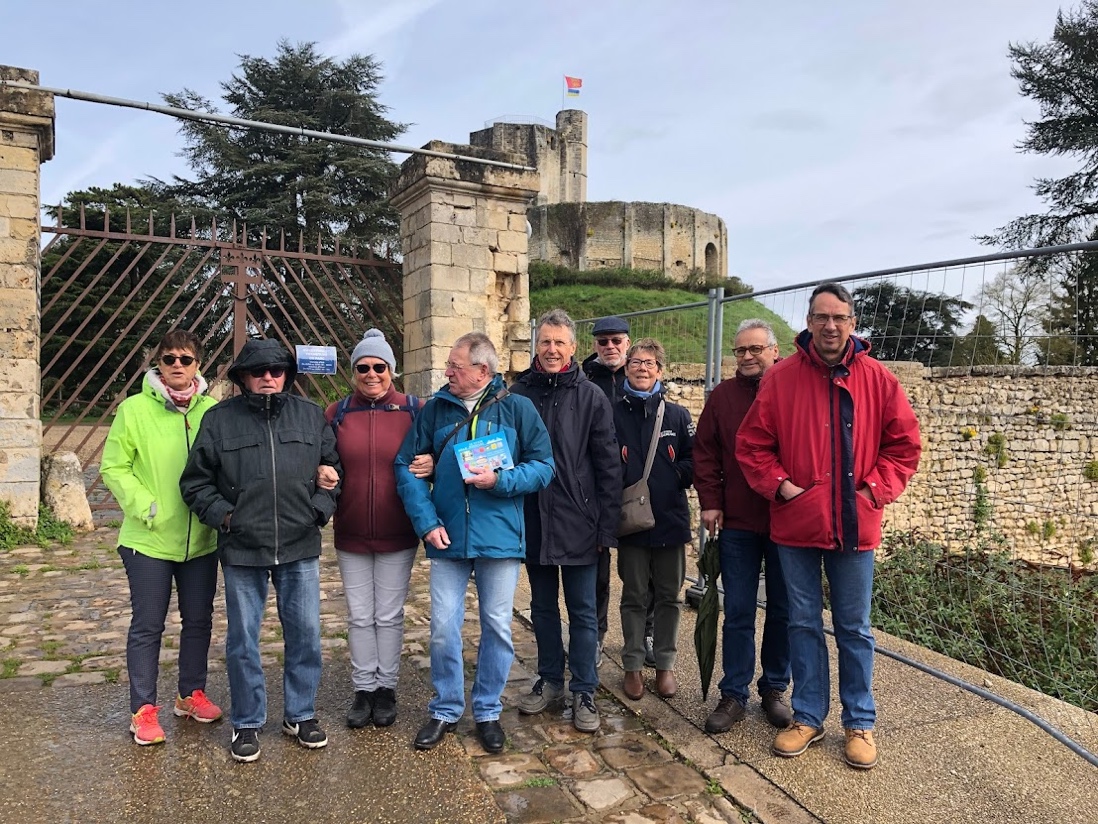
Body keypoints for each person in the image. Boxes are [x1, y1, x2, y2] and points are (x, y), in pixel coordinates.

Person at [737, 283, 921, 770]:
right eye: (821, 317)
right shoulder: (781, 379)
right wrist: (781, 487)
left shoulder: (878, 379)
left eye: (839, 317)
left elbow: (904, 447)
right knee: (801, 622)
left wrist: (873, 491)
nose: (830, 326)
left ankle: (859, 722)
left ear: (853, 322)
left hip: (856, 526)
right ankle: (809, 716)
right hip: (797, 523)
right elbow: (752, 445)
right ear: (809, 321)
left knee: (854, 628)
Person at [180, 339, 341, 763]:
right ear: (242, 378)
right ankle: (247, 721)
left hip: (299, 544)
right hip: (243, 549)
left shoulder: (310, 418)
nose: (268, 377)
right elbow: (195, 483)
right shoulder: (218, 421)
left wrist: (319, 512)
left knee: (306, 635)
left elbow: (334, 471)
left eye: (276, 370)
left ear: (287, 374)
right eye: (258, 371)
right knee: (243, 641)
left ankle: (300, 713)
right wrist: (227, 518)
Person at [395, 332, 554, 755]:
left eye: (455, 366)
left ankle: (486, 710)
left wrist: (501, 481)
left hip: (500, 538)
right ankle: (446, 707)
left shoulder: (518, 408)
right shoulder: (435, 409)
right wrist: (426, 522)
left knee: (498, 628)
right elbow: (404, 466)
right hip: (447, 535)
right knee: (444, 629)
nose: (447, 372)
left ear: (482, 371)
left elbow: (543, 466)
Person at [101, 330, 222, 746]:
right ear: (158, 364)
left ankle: (189, 695)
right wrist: (145, 505)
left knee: (199, 622)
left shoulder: (212, 410)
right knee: (148, 625)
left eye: (185, 359)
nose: (176, 365)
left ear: (197, 366)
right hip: (148, 540)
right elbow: (114, 467)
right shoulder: (134, 410)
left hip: (201, 540)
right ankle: (143, 710)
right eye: (168, 358)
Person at [511, 309, 622, 733]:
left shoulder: (591, 396)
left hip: (581, 520)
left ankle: (585, 688)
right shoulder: (519, 393)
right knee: (541, 607)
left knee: (583, 611)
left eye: (560, 342)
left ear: (573, 348)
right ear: (535, 346)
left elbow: (608, 466)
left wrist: (605, 527)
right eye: (545, 342)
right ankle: (551, 678)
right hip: (534, 518)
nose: (552, 349)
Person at [325, 329, 429, 730]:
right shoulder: (337, 414)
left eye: (379, 367)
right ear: (353, 372)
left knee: (387, 615)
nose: (371, 374)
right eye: (363, 367)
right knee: (358, 615)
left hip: (396, 530)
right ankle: (362, 688)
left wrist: (433, 462)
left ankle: (386, 688)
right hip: (350, 530)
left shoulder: (413, 409)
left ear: (392, 370)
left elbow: (435, 449)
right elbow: (324, 457)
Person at [694, 319, 792, 733]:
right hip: (736, 520)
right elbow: (705, 452)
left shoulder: (793, 390)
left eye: (755, 349)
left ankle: (773, 688)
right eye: (740, 351)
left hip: (788, 520)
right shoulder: (722, 398)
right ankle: (734, 693)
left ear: (774, 350)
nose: (748, 357)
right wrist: (712, 503)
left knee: (784, 610)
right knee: (736, 609)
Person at [612, 338, 694, 702]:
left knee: (668, 598)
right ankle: (631, 665)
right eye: (635, 362)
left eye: (649, 363)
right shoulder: (613, 413)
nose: (641, 368)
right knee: (633, 596)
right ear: (626, 368)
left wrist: (675, 477)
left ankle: (665, 665)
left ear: (660, 370)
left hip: (670, 521)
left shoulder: (678, 415)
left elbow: (695, 461)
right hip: (629, 522)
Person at [582, 316, 655, 667]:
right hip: (596, 486)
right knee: (597, 566)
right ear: (594, 344)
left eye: (616, 341)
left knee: (643, 568)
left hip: (634, 485)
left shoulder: (642, 376)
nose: (610, 347)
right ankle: (596, 635)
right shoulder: (584, 380)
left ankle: (646, 634)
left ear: (628, 343)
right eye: (603, 341)